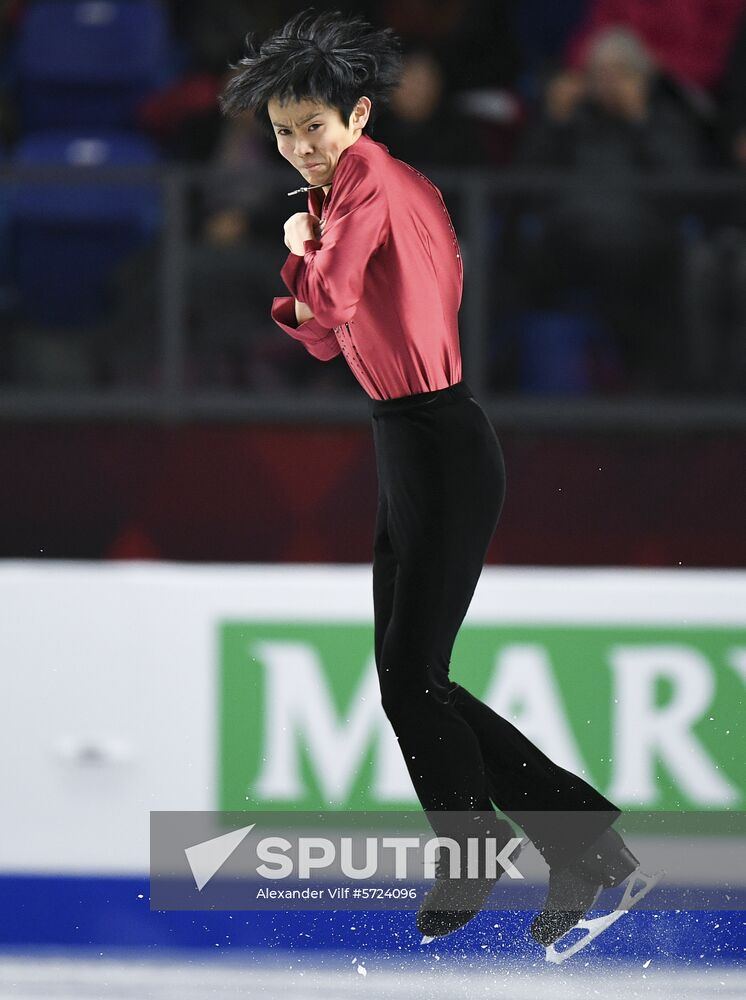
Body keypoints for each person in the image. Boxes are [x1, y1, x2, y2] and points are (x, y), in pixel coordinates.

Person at [219, 7, 643, 948]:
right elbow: (328, 333)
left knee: (414, 677)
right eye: (283, 134)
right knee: (408, 679)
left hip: (441, 440)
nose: (298, 149)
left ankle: (499, 843)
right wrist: (309, 257)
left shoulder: (368, 183)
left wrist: (299, 253)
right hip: (407, 441)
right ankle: (572, 843)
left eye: (312, 129)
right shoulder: (351, 196)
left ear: (359, 117)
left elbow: (322, 304)